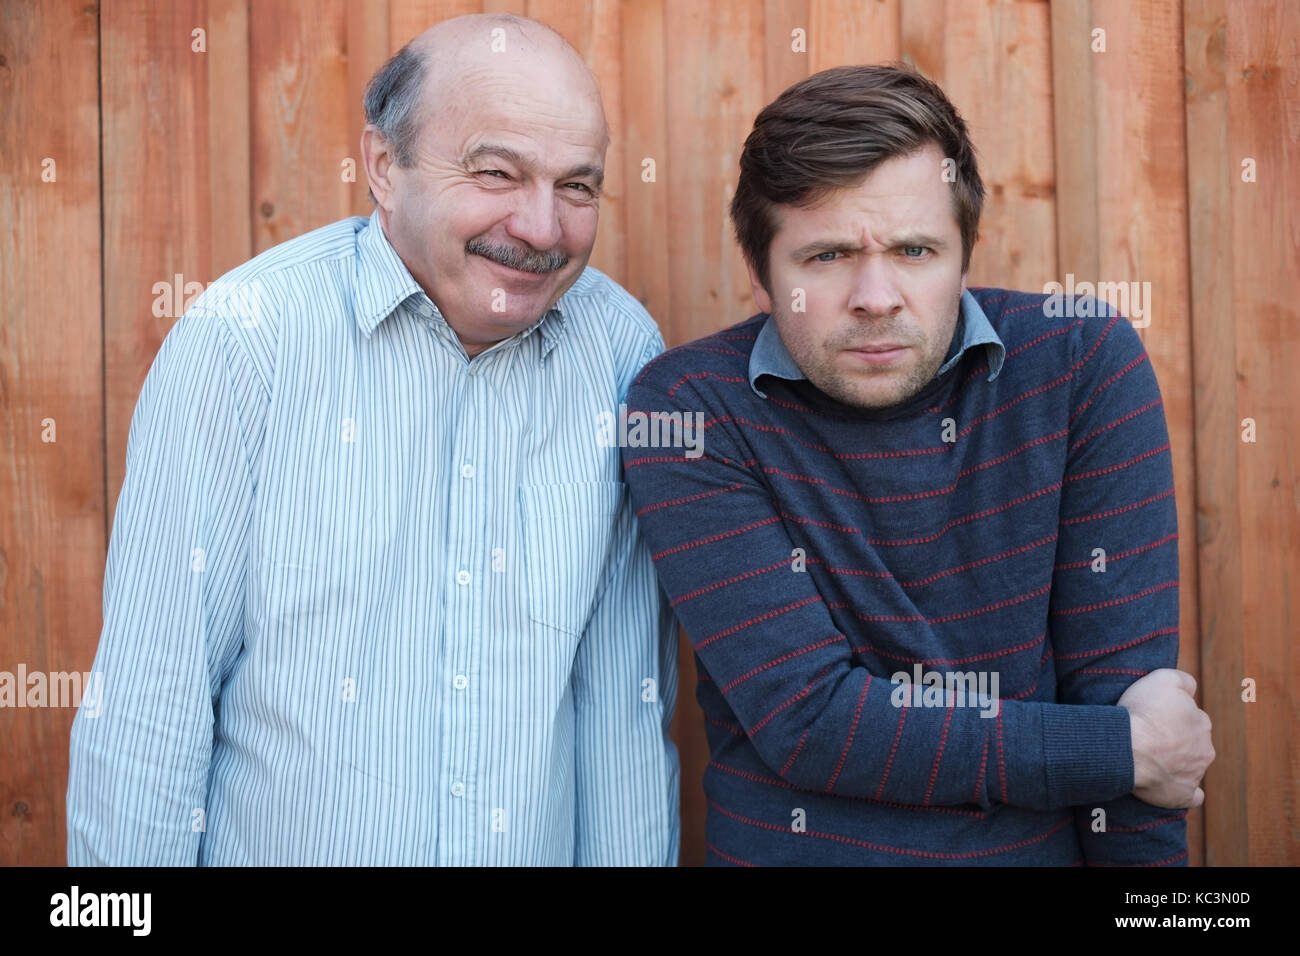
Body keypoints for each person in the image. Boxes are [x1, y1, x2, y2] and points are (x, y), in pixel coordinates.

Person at [67, 13, 679, 866]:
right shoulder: (244, 343)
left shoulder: (621, 352)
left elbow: (621, 707)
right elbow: (150, 705)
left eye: (577, 187)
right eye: (496, 171)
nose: (543, 228)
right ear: (384, 166)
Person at [620, 64, 1214, 865]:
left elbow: (1138, 714)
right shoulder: (692, 408)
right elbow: (811, 721)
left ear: (965, 255)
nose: (876, 295)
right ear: (760, 275)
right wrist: (1111, 750)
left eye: (914, 249)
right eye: (827, 255)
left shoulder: (1078, 365)